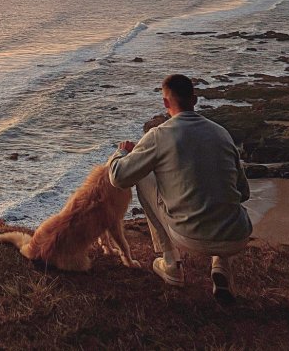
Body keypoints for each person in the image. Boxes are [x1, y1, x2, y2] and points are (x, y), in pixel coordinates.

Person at [108, 74, 251, 303]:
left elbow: (118, 177)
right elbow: (244, 193)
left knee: (144, 177)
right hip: (236, 235)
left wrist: (123, 152)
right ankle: (221, 265)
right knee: (217, 188)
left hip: (189, 236)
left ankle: (171, 264)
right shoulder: (222, 134)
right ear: (195, 99)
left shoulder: (159, 135)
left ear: (165, 103)